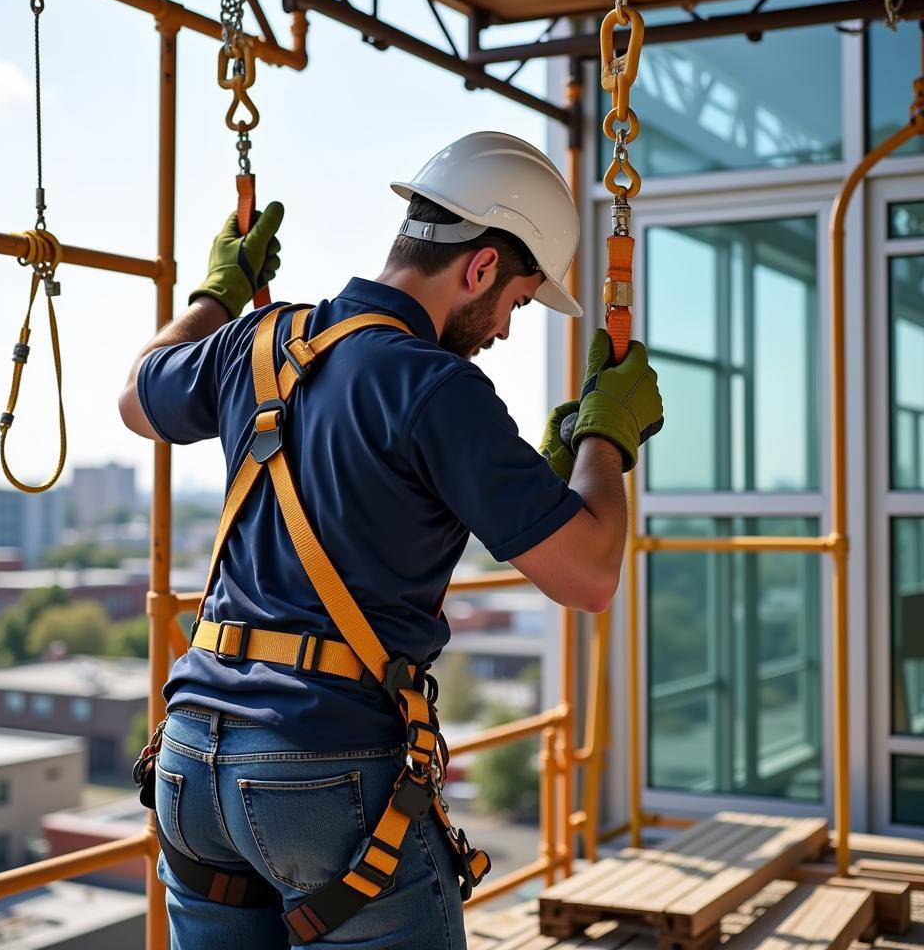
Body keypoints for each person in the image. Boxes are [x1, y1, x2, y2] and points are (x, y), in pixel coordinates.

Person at [118, 131, 664, 949]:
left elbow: (136, 395)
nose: (506, 331)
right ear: (478, 267)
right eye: (515, 302)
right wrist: (605, 440)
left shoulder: (259, 341)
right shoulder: (437, 387)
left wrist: (217, 295)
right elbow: (589, 575)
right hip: (320, 772)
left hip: (191, 760)